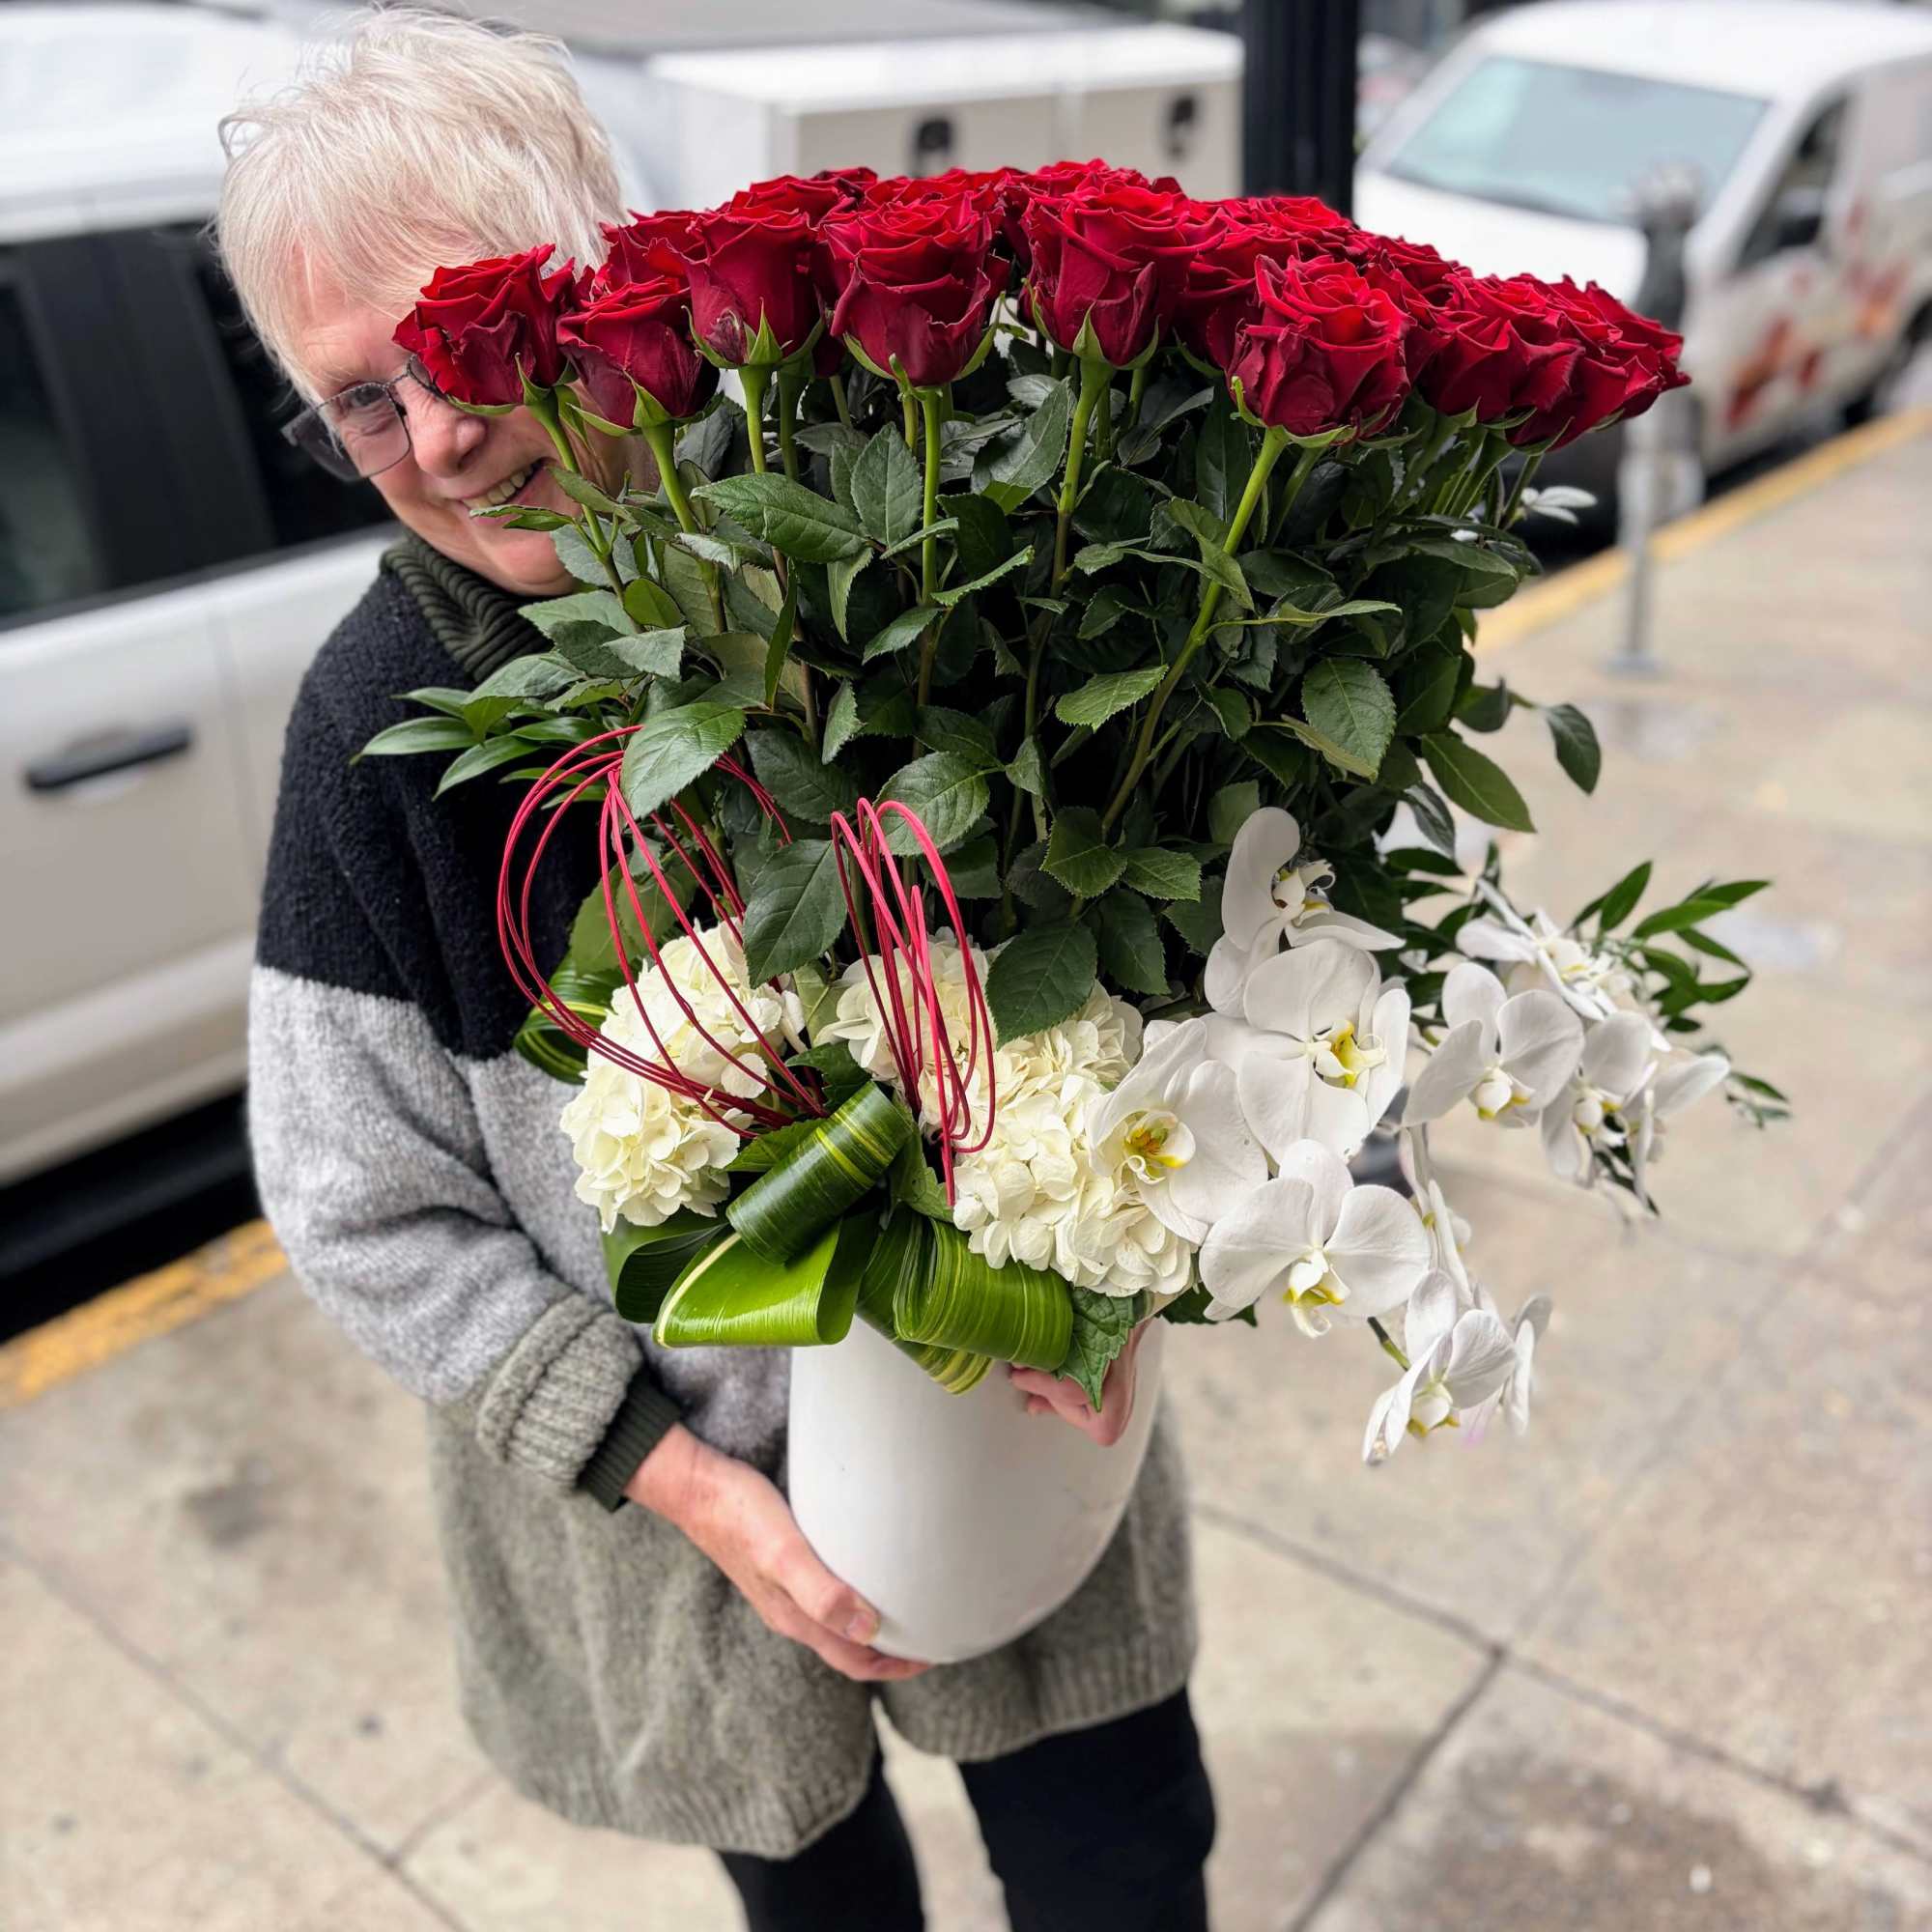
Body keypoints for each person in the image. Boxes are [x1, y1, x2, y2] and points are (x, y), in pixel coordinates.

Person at [220, 12, 1211, 1927]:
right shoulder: (378, 728)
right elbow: (353, 1197)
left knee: (1121, 1862)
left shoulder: (896, 540)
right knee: (818, 1901)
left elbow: (1182, 943)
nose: (439, 434)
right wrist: (673, 1476)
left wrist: (1140, 1275)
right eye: (359, 400)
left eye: (468, 336)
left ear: (606, 274)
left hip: (1019, 1412)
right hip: (671, 1514)